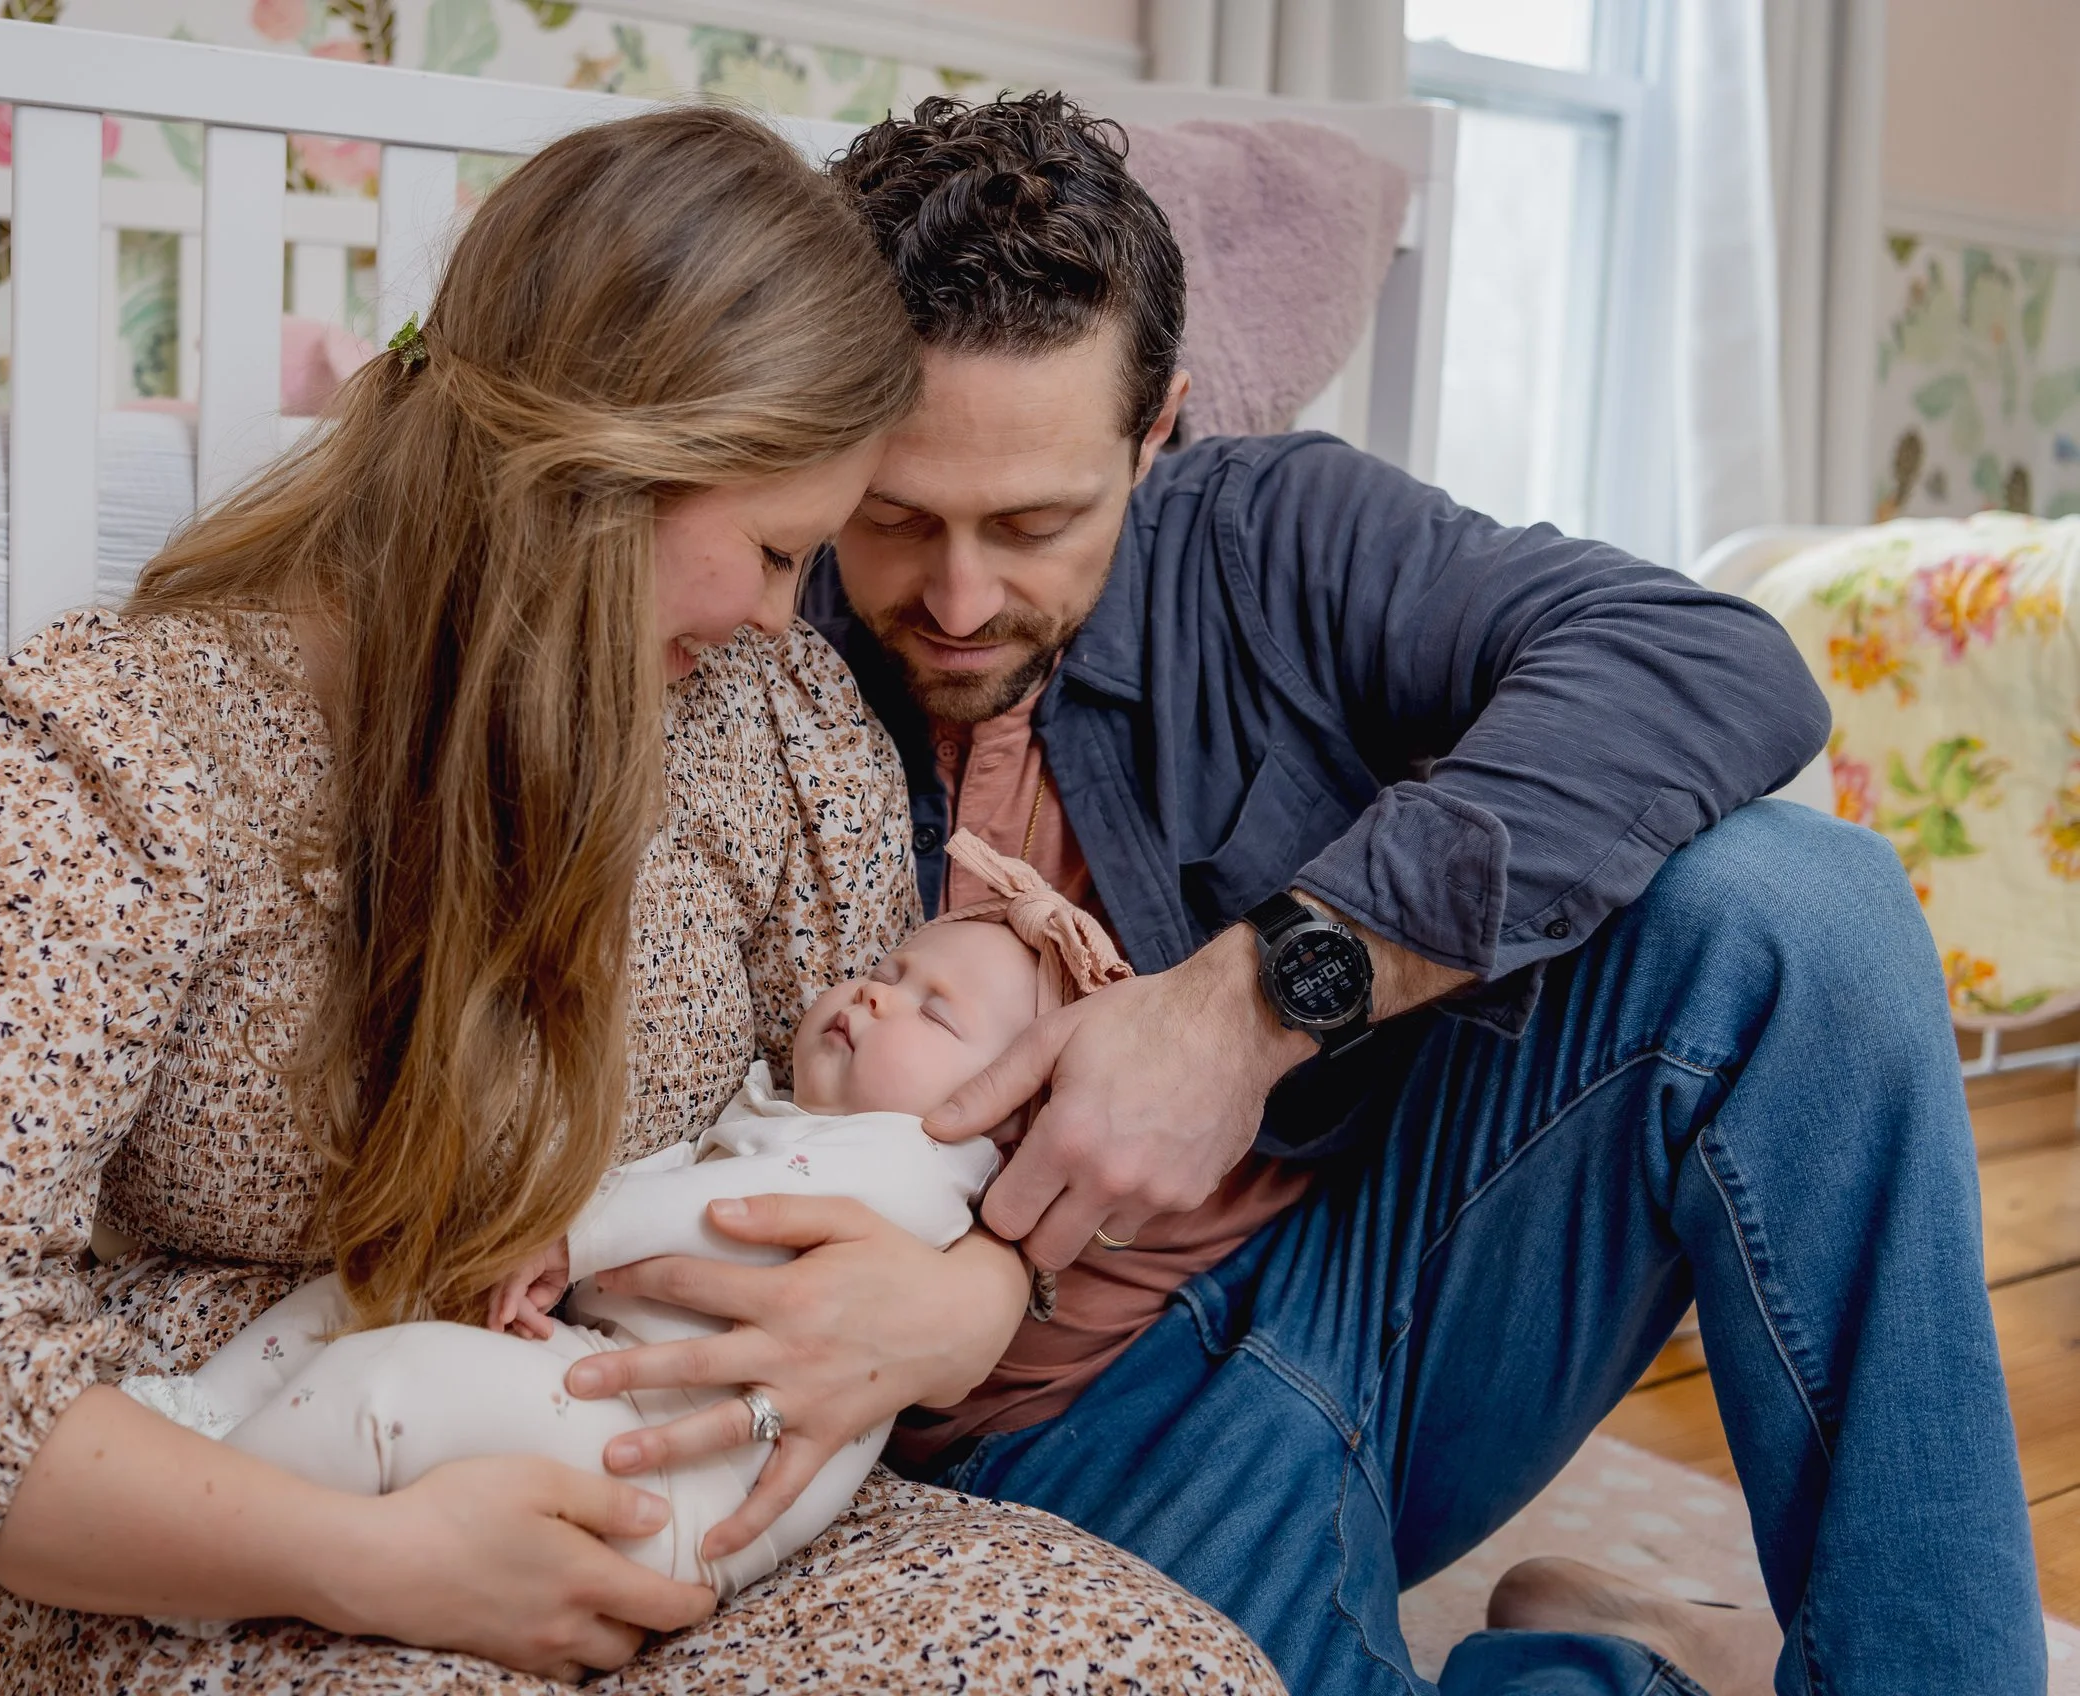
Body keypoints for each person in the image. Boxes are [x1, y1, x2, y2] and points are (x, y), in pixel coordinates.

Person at [0, 106, 1282, 1694]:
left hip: (659, 1483)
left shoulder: (768, 730)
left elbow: (875, 1125)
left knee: (1160, 1670)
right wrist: (369, 1557)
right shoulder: (123, 761)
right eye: (766, 550)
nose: (780, 620)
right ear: (592, 480)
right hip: (237, 1504)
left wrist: (968, 1291)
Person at [566, 93, 2047, 1695]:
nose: (962, 595)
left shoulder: (1270, 538)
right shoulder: (740, 654)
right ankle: (1642, 1659)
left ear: (1157, 435)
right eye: (899, 515)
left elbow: (1710, 666)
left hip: (1394, 1270)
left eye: (1039, 522)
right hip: (1067, 1447)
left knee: (1797, 913)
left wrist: (1254, 999)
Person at [119, 835, 1127, 1608]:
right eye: (896, 968)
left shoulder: (920, 1170)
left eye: (935, 1013)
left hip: (672, 1497)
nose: (878, 990)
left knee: (383, 1384)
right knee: (378, 1289)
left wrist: (570, 1237)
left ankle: (190, 1547)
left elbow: (717, 1214)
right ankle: (194, 1418)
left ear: (1008, 1117)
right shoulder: (822, 1121)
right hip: (606, 1390)